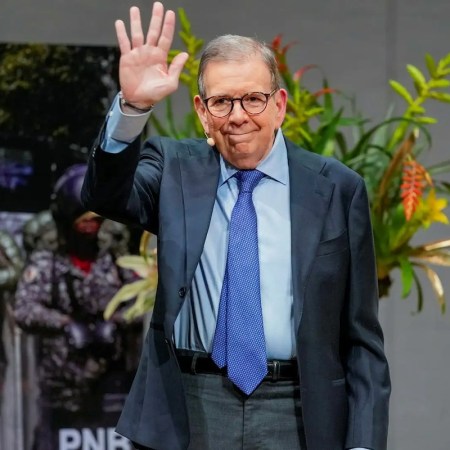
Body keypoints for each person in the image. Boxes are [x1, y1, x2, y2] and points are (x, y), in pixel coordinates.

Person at [81, 2, 391, 449]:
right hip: (191, 404)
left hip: (300, 411)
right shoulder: (174, 169)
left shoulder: (337, 189)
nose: (238, 115)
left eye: (253, 99)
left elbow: (362, 339)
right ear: (203, 112)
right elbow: (104, 195)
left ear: (279, 105)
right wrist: (134, 107)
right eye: (222, 101)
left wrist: (363, 443)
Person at [14, 164, 139, 450]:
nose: (91, 226)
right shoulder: (48, 262)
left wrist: (117, 321)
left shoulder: (114, 258)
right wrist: (65, 324)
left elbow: (142, 302)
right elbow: (24, 308)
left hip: (112, 387)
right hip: (62, 393)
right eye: (84, 220)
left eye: (96, 220)